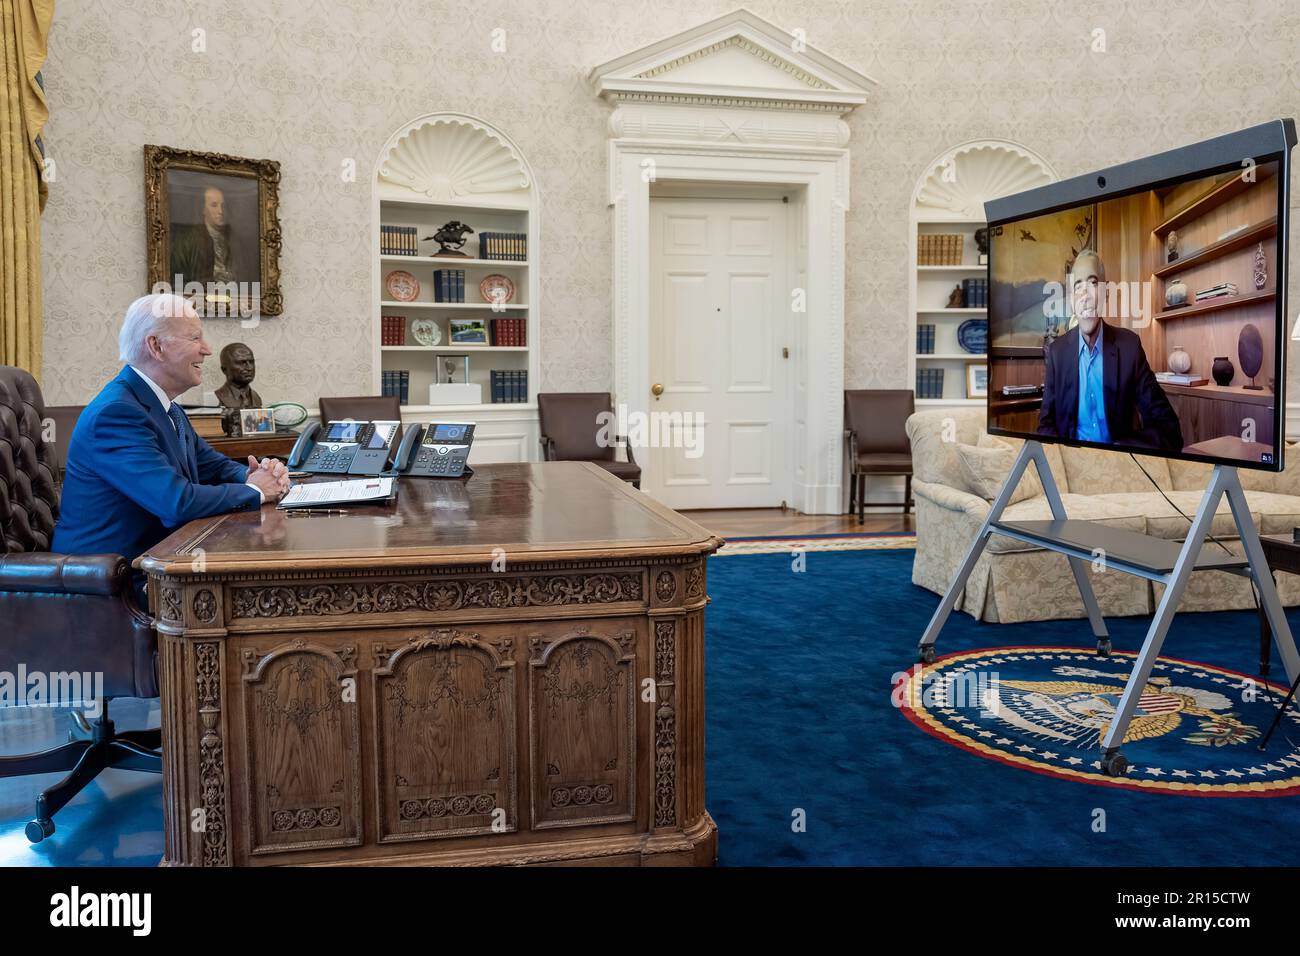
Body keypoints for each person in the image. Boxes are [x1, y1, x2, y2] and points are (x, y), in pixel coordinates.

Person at [52, 294, 290, 605]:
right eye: (195, 337)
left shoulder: (166, 407)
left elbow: (213, 467)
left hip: (159, 567)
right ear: (156, 346)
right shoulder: (116, 414)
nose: (206, 349)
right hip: (110, 589)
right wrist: (256, 491)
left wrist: (260, 473)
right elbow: (175, 501)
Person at [1037, 250, 1183, 451]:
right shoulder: (1056, 353)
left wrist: (1120, 451)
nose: (1085, 296)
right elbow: (1045, 426)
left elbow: (1169, 429)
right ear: (1071, 300)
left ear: (1106, 293)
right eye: (1078, 286)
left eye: (1093, 283)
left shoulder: (1130, 347)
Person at [169, 184, 242, 286]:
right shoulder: (188, 240)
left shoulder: (231, 240)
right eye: (214, 205)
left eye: (223, 205)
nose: (221, 211)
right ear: (203, 209)